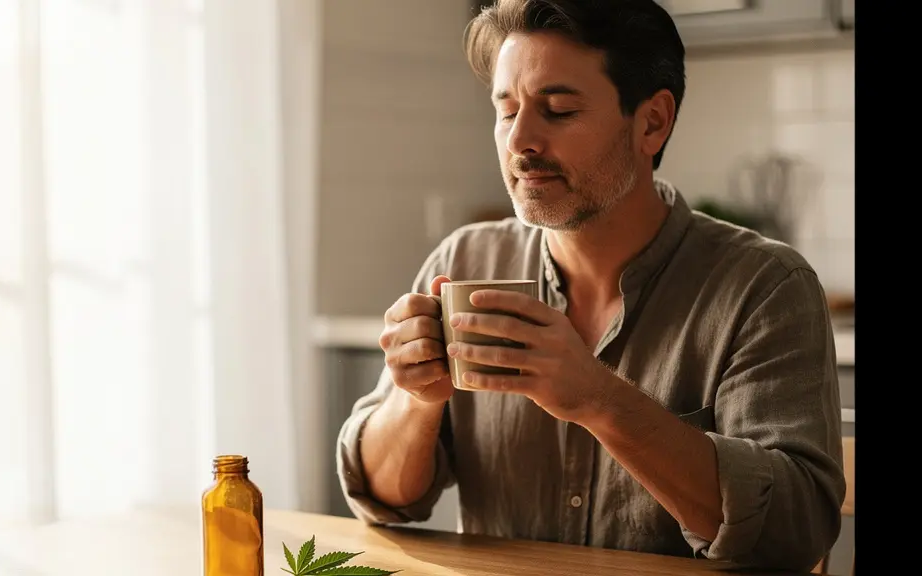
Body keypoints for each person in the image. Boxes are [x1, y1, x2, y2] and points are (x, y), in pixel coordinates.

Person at [334, 0, 845, 571]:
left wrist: (599, 400)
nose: (520, 140)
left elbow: (796, 534)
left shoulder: (766, 288)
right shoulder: (464, 259)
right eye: (507, 112)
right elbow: (384, 499)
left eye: (557, 110)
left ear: (652, 122)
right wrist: (414, 401)